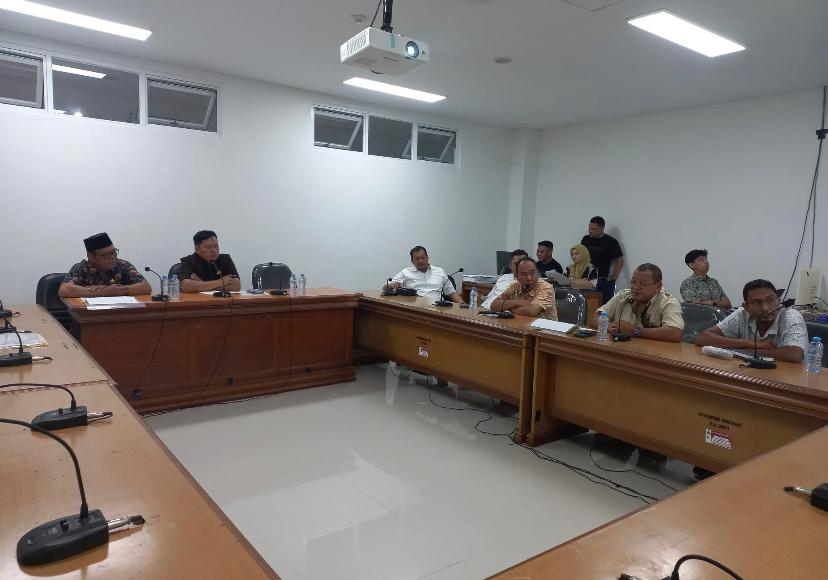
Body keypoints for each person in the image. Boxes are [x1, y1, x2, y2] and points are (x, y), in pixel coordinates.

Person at [695, 279, 808, 363]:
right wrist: (753, 344)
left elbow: (795, 354)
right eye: (757, 302)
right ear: (746, 307)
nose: (765, 308)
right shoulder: (741, 314)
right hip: (749, 372)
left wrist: (742, 351)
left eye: (770, 300)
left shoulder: (791, 316)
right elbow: (703, 338)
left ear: (779, 301)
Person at [593, 263, 684, 342]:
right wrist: (607, 326)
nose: (635, 287)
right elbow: (595, 317)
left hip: (653, 352)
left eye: (642, 284)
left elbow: (675, 333)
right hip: (623, 348)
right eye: (633, 282)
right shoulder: (623, 296)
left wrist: (635, 331)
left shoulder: (668, 301)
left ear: (658, 286)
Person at [59, 233, 151, 298]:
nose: (113, 257)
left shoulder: (123, 265)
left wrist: (118, 290)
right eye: (106, 255)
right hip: (88, 314)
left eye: (114, 252)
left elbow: (145, 287)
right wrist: (105, 292)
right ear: (91, 257)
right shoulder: (81, 268)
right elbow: (64, 290)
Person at [384, 246, 462, 302]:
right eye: (417, 259)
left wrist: (464, 306)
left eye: (423, 258)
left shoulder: (440, 271)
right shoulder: (405, 272)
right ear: (412, 261)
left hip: (437, 307)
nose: (420, 261)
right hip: (415, 308)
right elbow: (386, 287)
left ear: (427, 258)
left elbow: (451, 293)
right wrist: (391, 285)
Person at [491, 258, 558, 319]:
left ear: (537, 273)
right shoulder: (514, 286)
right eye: (524, 274)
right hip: (521, 323)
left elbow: (531, 311)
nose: (529, 278)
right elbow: (494, 305)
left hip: (544, 327)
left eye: (533, 273)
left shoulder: (546, 287)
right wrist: (517, 302)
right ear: (516, 276)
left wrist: (507, 308)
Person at [580, 216, 624, 302]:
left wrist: (615, 275)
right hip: (585, 279)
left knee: (603, 305)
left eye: (593, 229)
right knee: (586, 304)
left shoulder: (611, 241)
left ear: (602, 229)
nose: (590, 231)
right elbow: (580, 256)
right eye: (589, 228)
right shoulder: (586, 239)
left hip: (602, 279)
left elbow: (619, 259)